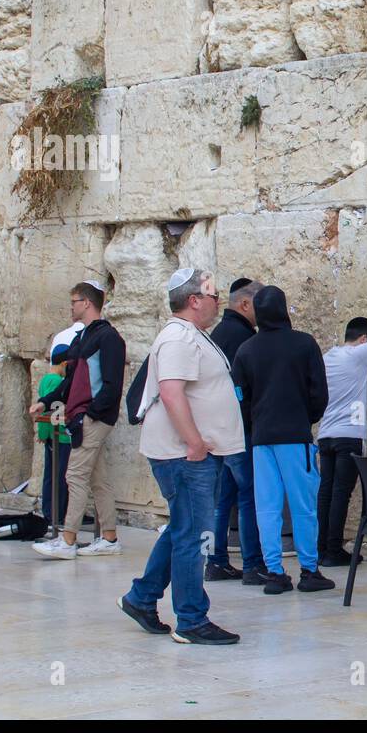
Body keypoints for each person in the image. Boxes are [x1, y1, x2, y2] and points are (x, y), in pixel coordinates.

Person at [119, 268, 244, 645]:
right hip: (185, 456)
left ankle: (142, 597)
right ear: (194, 300)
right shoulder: (177, 338)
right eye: (214, 296)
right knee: (195, 535)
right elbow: (171, 393)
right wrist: (195, 444)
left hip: (192, 455)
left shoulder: (192, 337)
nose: (218, 303)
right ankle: (191, 619)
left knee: (182, 529)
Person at [230, 285, 334, 595]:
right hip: (294, 436)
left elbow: (238, 394)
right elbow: (320, 393)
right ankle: (309, 569)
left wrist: (254, 421)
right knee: (303, 505)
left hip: (262, 439)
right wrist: (307, 418)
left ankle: (274, 572)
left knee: (267, 506)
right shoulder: (304, 344)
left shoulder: (246, 349)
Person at [31, 280, 127, 559]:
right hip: (86, 415)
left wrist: (91, 413)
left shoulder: (109, 338)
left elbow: (112, 383)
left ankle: (68, 539)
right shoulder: (84, 337)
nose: (71, 307)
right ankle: (109, 538)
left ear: (86, 302)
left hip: (93, 418)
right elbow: (71, 381)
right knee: (99, 480)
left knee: (74, 475)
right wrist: (45, 402)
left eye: (74, 301)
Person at [317, 315, 367, 567]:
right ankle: (333, 549)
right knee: (341, 494)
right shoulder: (359, 354)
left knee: (326, 492)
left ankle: (320, 548)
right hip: (348, 435)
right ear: (363, 339)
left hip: (326, 435)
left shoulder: (328, 356)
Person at [205, 278, 265, 584]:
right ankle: (253, 563)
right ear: (244, 304)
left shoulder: (220, 332)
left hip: (219, 428)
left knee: (223, 498)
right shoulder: (242, 337)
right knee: (248, 496)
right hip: (237, 429)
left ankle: (216, 561)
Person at [36, 325, 81, 527]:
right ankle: (58, 513)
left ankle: (49, 510)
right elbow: (53, 410)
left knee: (50, 474)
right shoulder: (56, 381)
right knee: (61, 476)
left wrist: (43, 434)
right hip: (61, 436)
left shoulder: (45, 379)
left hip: (50, 437)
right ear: (64, 363)